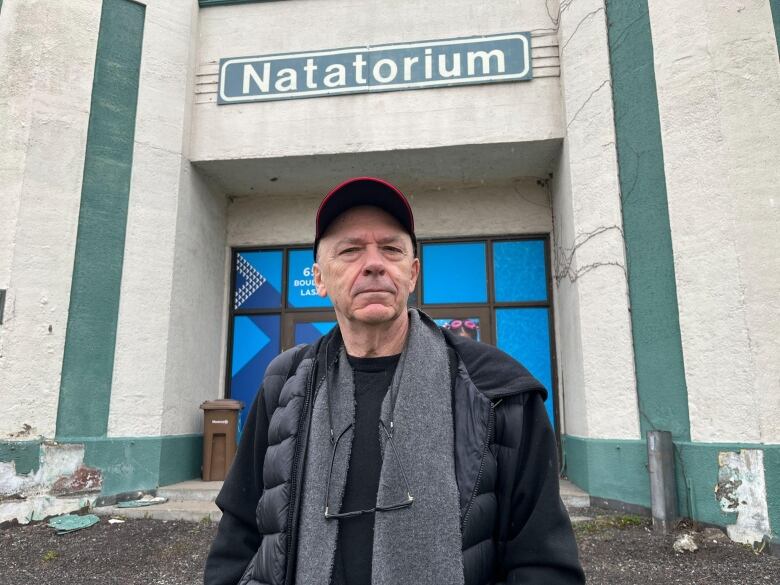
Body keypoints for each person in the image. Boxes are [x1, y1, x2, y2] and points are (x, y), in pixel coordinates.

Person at [204, 177, 584, 585]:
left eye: (391, 249)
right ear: (318, 278)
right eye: (350, 250)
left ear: (412, 272)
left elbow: (543, 561)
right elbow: (239, 536)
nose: (373, 263)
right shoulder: (284, 384)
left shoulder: (496, 392)